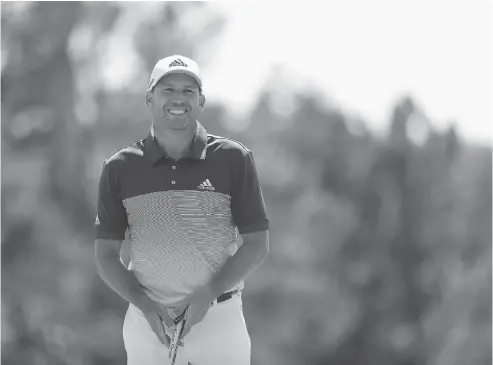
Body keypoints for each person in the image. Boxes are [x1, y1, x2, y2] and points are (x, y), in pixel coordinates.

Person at [94, 55, 270, 365]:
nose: (178, 98)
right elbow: (105, 255)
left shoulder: (233, 158)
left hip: (219, 319)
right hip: (147, 324)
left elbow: (257, 244)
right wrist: (143, 304)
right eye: (167, 90)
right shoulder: (119, 167)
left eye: (188, 91)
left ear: (201, 100)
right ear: (150, 97)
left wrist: (210, 292)